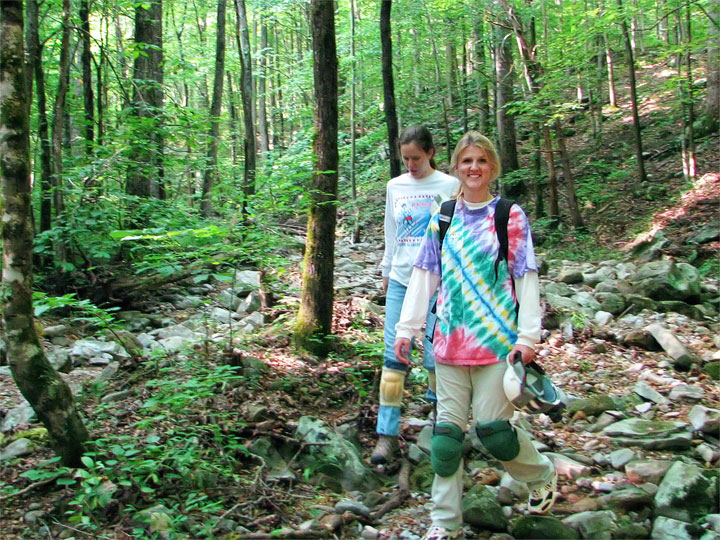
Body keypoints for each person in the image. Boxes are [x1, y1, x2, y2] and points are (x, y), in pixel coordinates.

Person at [394, 131, 557, 540]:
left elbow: (526, 276)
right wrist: (407, 329)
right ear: (456, 166)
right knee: (446, 438)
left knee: (494, 432)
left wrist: (528, 337)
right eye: (466, 161)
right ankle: (442, 523)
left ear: (492, 167)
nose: (473, 168)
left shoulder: (509, 216)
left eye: (481, 161)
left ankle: (541, 475)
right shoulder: (443, 217)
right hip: (448, 343)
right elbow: (425, 275)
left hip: (496, 344)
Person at [373, 125, 459, 465]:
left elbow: (455, 234)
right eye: (405, 158)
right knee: (393, 357)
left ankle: (443, 425)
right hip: (401, 281)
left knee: (435, 356)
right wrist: (386, 270)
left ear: (431, 153)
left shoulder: (450, 185)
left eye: (416, 158)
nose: (410, 164)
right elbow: (391, 231)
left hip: (440, 282)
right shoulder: (395, 187)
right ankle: (386, 435)